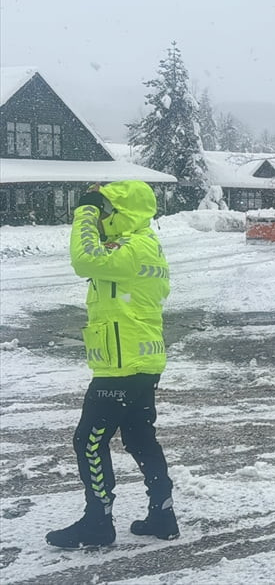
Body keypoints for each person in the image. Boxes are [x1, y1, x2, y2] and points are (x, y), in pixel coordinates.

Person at [46, 181, 178, 548]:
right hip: (139, 361)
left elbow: (83, 259)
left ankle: (98, 521)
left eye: (107, 211)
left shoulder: (131, 247)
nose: (102, 217)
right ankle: (162, 514)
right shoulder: (142, 245)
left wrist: (85, 211)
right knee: (139, 438)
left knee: (87, 441)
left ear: (122, 213)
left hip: (123, 366)